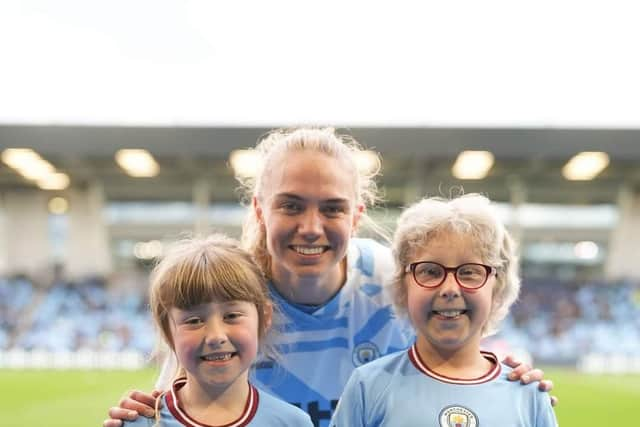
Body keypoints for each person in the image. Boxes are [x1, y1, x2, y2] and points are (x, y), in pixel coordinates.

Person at [105, 128, 553, 427]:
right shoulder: (228, 296)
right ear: (260, 210)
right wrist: (146, 408)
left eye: (333, 208)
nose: (311, 227)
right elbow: (182, 400)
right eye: (291, 205)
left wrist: (510, 381)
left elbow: (456, 344)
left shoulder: (390, 279)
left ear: (357, 214)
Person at [330, 194, 558, 426]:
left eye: (469, 272)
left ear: (497, 287)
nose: (450, 289)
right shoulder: (368, 386)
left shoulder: (528, 396)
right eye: (430, 271)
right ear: (402, 285)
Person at [122, 234, 313, 426]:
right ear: (167, 332)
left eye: (231, 316)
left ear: (264, 317)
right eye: (194, 320)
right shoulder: (140, 423)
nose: (215, 336)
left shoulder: (293, 423)